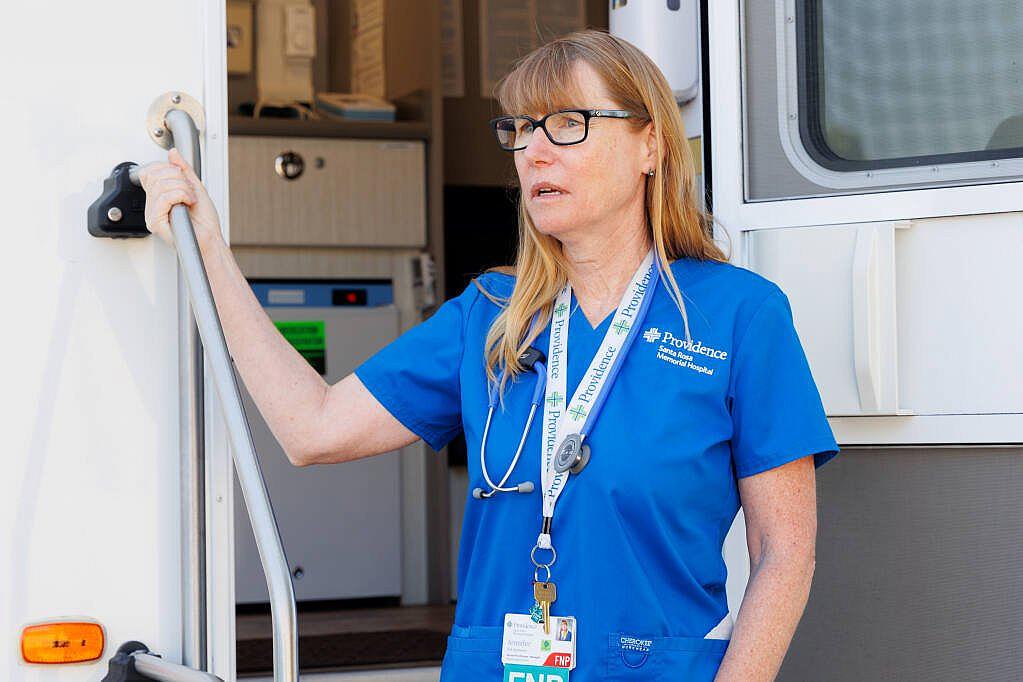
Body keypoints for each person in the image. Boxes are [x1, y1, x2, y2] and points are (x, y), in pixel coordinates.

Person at [139, 27, 838, 682]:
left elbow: (782, 553)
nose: (534, 151)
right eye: (521, 130)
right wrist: (210, 256)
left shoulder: (737, 313)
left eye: (568, 124)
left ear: (650, 144)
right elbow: (311, 428)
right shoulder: (490, 316)